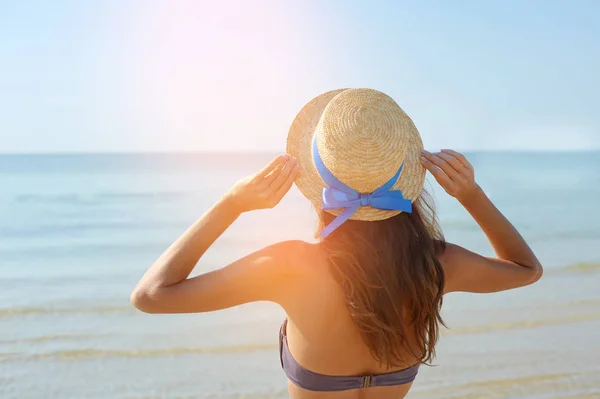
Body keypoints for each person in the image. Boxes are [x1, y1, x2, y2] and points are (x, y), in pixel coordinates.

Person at [131, 88, 543, 399]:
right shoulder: (437, 263)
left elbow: (151, 295)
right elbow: (527, 270)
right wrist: (471, 195)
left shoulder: (291, 266)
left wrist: (231, 203)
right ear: (406, 181)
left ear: (318, 185)